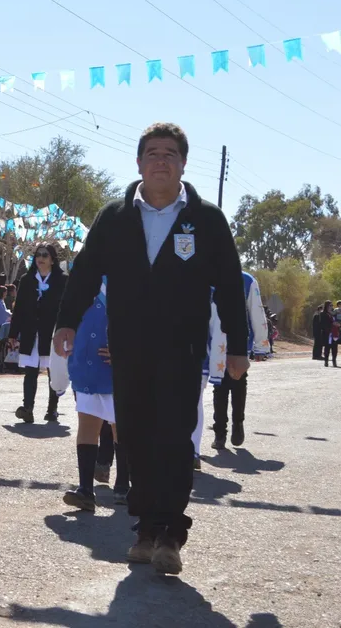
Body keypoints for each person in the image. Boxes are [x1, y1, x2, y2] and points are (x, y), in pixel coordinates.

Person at [54, 122, 249, 576]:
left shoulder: (206, 219)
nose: (161, 161)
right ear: (138, 162)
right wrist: (67, 320)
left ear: (182, 163)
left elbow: (229, 288)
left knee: (174, 438)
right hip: (129, 348)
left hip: (182, 350)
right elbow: (84, 273)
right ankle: (144, 528)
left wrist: (237, 347)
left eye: (170, 154)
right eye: (152, 153)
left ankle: (170, 534)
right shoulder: (114, 217)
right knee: (136, 436)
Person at [57, 279, 130, 511]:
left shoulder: (133, 277)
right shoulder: (83, 280)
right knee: (87, 425)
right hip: (85, 366)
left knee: (121, 426)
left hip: (118, 369)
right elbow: (65, 318)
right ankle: (86, 490)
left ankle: (123, 485)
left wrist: (128, 349)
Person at [208, 271, 269, 450]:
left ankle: (238, 424)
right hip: (215, 342)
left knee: (238, 385)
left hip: (239, 342)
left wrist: (261, 345)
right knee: (219, 387)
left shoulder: (247, 280)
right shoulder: (208, 277)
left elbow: (257, 312)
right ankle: (220, 433)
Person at [7, 243, 68, 424]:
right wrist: (13, 333)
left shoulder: (62, 279)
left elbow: (68, 307)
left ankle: (52, 409)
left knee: (53, 371)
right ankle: (28, 408)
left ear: (52, 259)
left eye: (45, 255)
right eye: (38, 255)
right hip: (31, 331)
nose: (40, 258)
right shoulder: (27, 279)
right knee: (31, 371)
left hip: (52, 332)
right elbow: (19, 310)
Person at [323, 301, 339, 368]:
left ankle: (334, 361)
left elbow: (336, 321)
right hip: (328, 334)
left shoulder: (333, 314)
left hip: (334, 334)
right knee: (327, 348)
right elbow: (323, 324)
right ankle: (326, 361)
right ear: (326, 306)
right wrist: (332, 324)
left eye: (332, 305)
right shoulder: (323, 314)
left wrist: (337, 324)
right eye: (330, 305)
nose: (332, 307)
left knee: (335, 348)